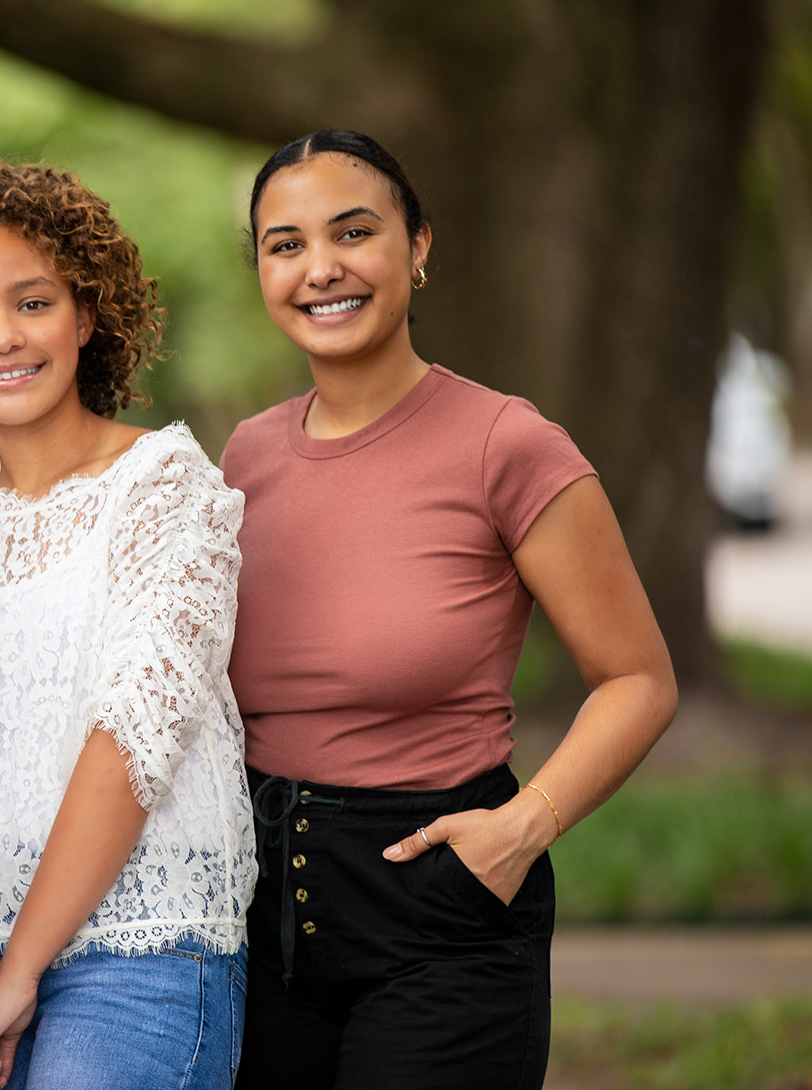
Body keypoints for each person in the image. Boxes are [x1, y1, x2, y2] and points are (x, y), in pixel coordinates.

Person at [221, 129, 679, 1090]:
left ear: (418, 246)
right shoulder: (244, 459)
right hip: (255, 903)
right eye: (286, 243)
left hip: (441, 901)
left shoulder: (506, 444)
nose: (322, 268)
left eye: (354, 232)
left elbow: (637, 678)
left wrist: (525, 826)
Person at [0, 161, 257, 1090]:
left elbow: (134, 741)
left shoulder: (166, 489)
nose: (0, 337)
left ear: (84, 312)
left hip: (136, 950)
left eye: (30, 302)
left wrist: (21, 972)